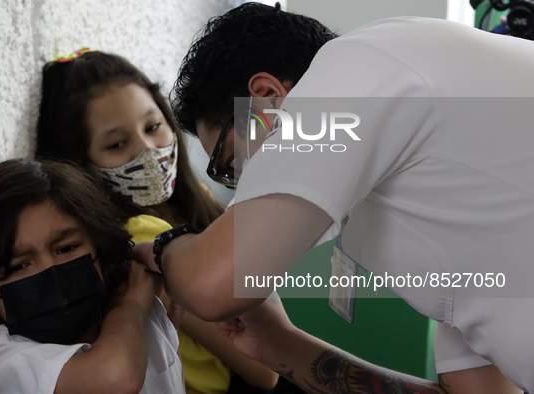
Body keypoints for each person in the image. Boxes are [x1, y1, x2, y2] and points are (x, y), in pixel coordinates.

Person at [132, 2, 534, 393]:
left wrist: (167, 246)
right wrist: (280, 343)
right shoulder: (432, 199)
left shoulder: (358, 63)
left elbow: (212, 284)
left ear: (267, 98)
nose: (243, 186)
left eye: (233, 163)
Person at [35, 49, 278, 393]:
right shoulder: (142, 241)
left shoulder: (196, 205)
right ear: (80, 166)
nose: (148, 151)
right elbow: (264, 370)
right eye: (117, 144)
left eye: (152, 126)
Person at [0, 159, 184, 393]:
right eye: (19, 266)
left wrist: (145, 252)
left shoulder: (130, 292)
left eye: (66, 248)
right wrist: (128, 307)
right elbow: (117, 379)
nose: (52, 272)